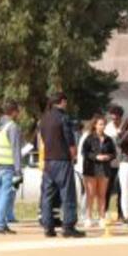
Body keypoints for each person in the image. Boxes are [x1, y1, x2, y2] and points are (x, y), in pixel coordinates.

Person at [38, 91, 84, 238]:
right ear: (62, 101)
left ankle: (48, 226)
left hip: (48, 161)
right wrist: (74, 155)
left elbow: (42, 139)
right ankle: (68, 226)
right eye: (66, 101)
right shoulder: (63, 118)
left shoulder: (44, 118)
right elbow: (69, 139)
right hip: (62, 160)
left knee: (47, 194)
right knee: (67, 193)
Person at [0, 100, 22, 235]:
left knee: (0, 194)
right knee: (6, 195)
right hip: (8, 165)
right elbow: (15, 149)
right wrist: (19, 170)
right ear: (13, 112)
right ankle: (1, 225)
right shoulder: (12, 126)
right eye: (18, 111)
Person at [81, 115, 116, 228]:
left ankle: (101, 217)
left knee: (102, 195)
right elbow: (84, 152)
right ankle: (88, 217)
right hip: (91, 169)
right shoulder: (89, 138)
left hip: (104, 169)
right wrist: (96, 157)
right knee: (90, 195)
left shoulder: (108, 139)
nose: (102, 126)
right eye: (100, 124)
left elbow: (114, 153)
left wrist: (108, 157)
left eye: (104, 124)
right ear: (95, 125)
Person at [104, 104, 124, 222]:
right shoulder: (108, 128)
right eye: (112, 118)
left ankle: (120, 212)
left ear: (120, 117)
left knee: (121, 189)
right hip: (111, 163)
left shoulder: (124, 126)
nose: (114, 120)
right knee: (108, 187)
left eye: (116, 118)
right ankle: (105, 210)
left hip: (122, 162)